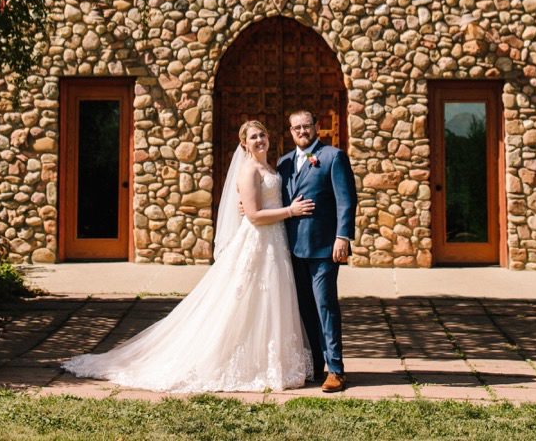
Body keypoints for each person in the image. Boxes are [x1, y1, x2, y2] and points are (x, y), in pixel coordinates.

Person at [61, 119, 314, 392]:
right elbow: (253, 215)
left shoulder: (269, 167)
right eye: (253, 137)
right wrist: (291, 211)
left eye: (262, 134)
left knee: (270, 300)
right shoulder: (249, 170)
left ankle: (272, 363)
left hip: (275, 243)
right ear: (244, 144)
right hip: (258, 242)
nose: (260, 140)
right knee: (245, 301)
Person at [275, 108, 358, 393]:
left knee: (325, 306)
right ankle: (316, 365)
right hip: (293, 249)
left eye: (306, 126)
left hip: (324, 248)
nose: (302, 131)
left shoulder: (332, 157)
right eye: (296, 127)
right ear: (290, 131)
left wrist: (343, 236)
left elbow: (346, 200)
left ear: (317, 127)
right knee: (305, 310)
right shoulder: (284, 163)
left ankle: (336, 370)